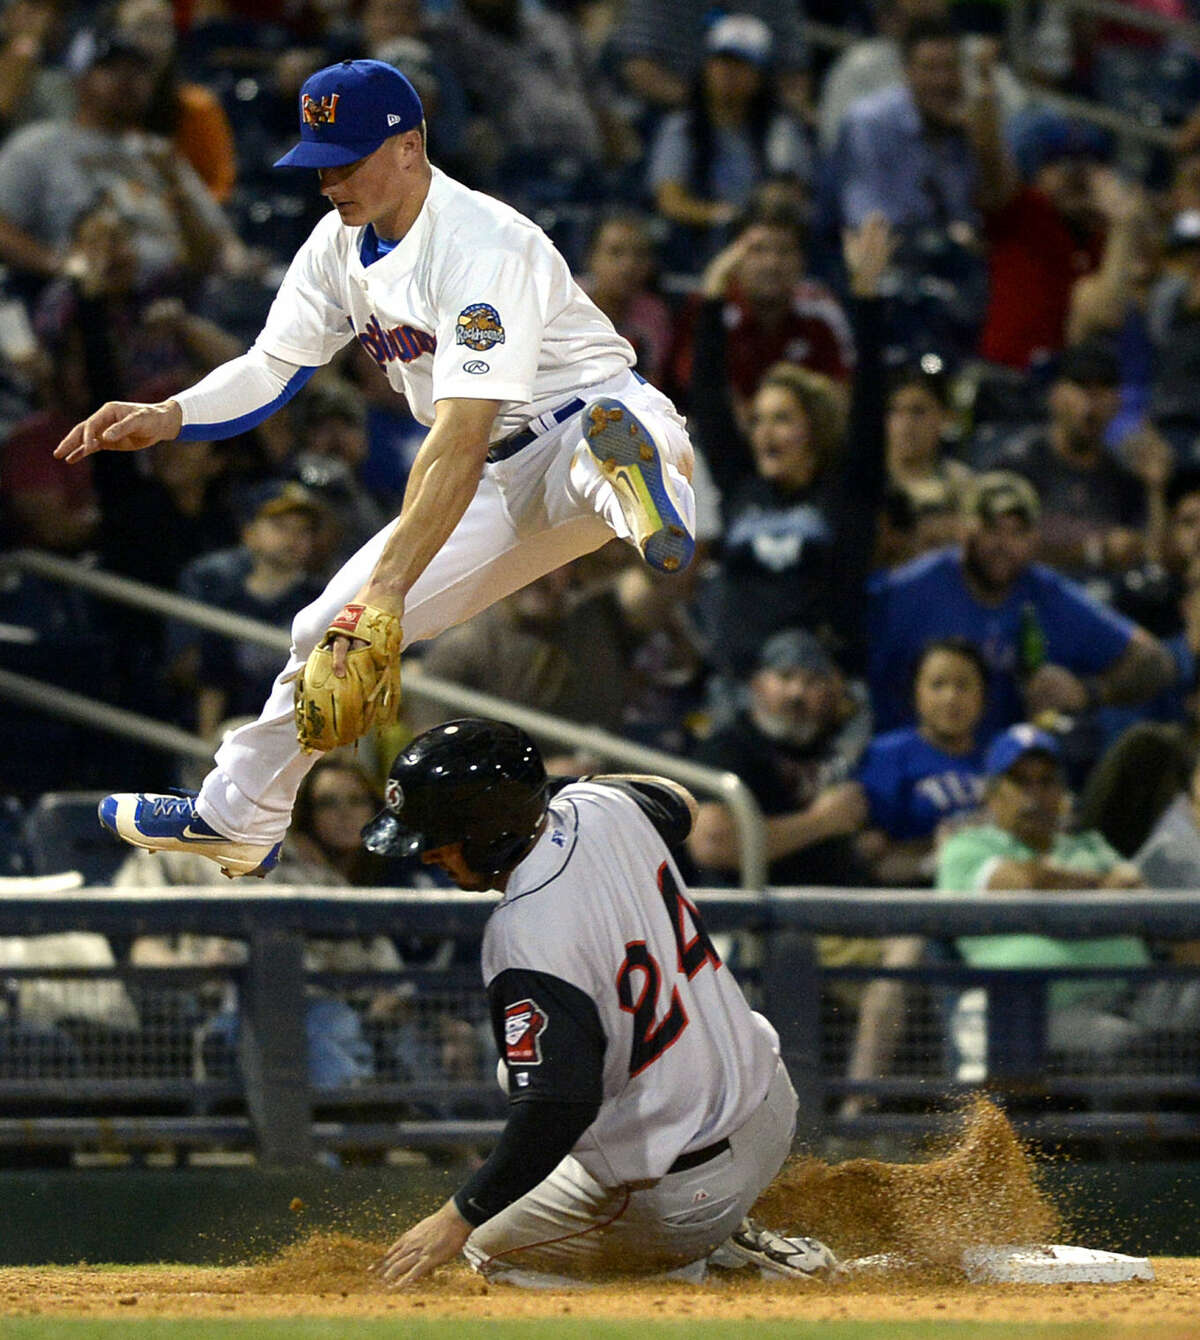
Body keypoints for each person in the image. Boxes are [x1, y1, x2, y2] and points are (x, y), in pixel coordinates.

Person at [54, 58, 697, 880]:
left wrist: (388, 592)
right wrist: (173, 414)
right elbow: (271, 368)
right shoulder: (336, 245)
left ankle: (644, 501)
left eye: (349, 158)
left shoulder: (482, 245)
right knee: (321, 631)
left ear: (410, 145)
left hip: (578, 417)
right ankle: (238, 817)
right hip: (499, 479)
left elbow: (460, 435)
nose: (330, 179)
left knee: (601, 448)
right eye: (321, 160)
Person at [366, 717, 835, 1287]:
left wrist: (456, 1217)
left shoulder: (527, 935)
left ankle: (716, 1273)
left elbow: (557, 1108)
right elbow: (678, 801)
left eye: (437, 837)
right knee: (542, 1067)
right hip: (767, 1106)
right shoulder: (602, 805)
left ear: (487, 828)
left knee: (490, 1253)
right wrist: (551, 790)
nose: (427, 856)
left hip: (682, 1186)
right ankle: (725, 1238)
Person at [867, 470, 1175, 739]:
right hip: (911, 762)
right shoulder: (910, 591)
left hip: (1011, 770)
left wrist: (1087, 691)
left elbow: (1154, 661)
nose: (1004, 545)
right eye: (991, 529)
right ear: (963, 530)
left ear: (1035, 538)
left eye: (1018, 532)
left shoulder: (1046, 594)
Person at [936, 723, 1159, 1076]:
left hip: (1133, 994)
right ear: (993, 795)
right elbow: (1024, 880)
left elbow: (1140, 893)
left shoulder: (1089, 846)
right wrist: (1101, 886)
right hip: (1033, 1014)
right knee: (1127, 1045)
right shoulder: (968, 846)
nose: (1035, 794)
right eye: (1021, 782)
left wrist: (1099, 884)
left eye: (1047, 781)